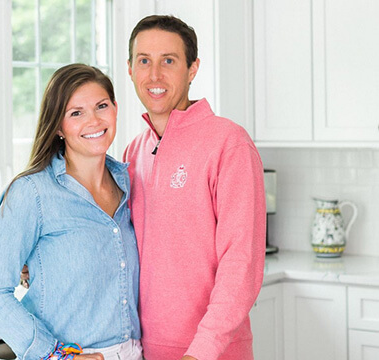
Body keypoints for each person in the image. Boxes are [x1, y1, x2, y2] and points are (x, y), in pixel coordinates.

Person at [0, 64, 142, 360]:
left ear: (115, 109)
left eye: (101, 106)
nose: (93, 120)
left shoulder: (131, 183)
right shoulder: (32, 193)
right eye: (76, 113)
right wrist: (54, 355)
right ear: (58, 126)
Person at [123, 15, 266, 360]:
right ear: (130, 69)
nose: (154, 75)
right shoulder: (133, 151)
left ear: (192, 69)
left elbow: (241, 262)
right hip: (142, 349)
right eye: (144, 61)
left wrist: (201, 352)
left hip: (213, 353)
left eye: (168, 61)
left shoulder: (228, 143)